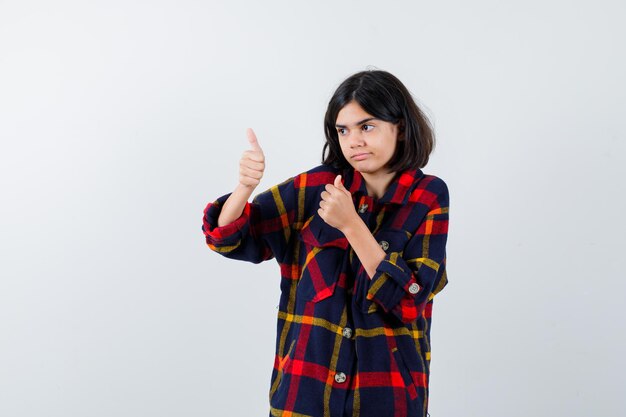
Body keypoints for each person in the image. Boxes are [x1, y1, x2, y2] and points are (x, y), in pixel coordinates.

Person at [201, 69, 450, 417]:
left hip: (386, 399)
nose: (354, 141)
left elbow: (408, 302)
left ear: (401, 128)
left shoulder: (428, 196)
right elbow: (230, 239)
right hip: (305, 395)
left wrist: (351, 225)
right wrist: (244, 187)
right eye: (343, 130)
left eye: (367, 126)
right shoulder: (318, 186)